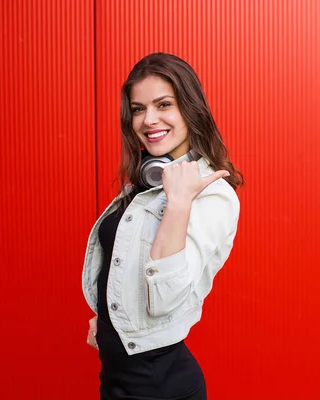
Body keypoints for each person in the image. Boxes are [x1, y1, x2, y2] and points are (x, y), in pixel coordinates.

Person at [81, 52, 243, 400]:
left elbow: (167, 296)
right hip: (115, 376)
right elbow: (123, 266)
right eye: (138, 108)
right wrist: (109, 319)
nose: (148, 120)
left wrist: (179, 203)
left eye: (163, 104)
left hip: (157, 386)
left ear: (190, 108)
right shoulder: (148, 183)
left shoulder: (210, 194)